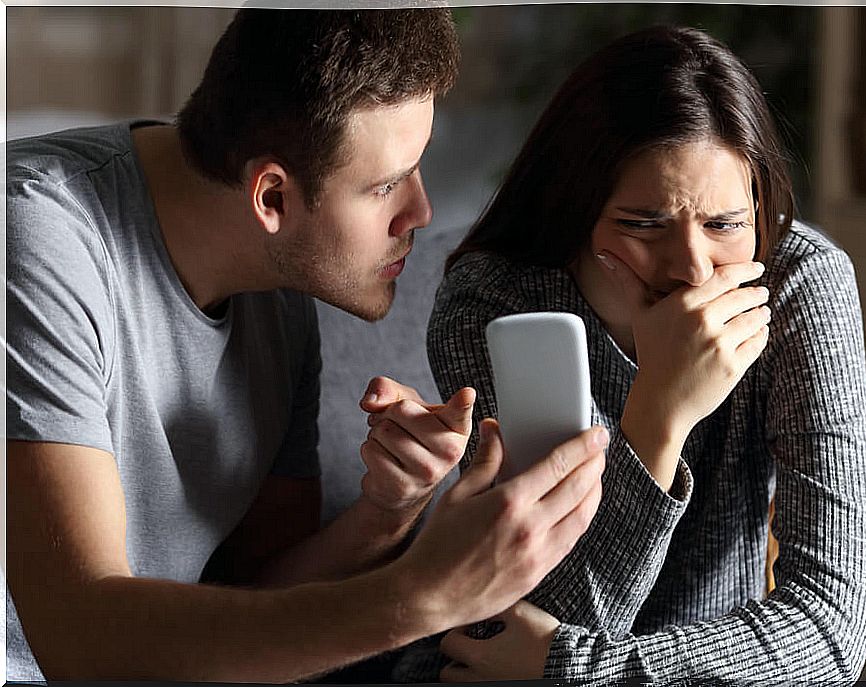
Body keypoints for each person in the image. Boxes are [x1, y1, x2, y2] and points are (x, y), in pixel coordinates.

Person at [4, 8, 608, 682]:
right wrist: (425, 594)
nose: (421, 213)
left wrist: (387, 513)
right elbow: (74, 637)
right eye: (385, 186)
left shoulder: (279, 273)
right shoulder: (34, 242)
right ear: (271, 196)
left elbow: (250, 593)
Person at [416, 25, 866, 684]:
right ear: (575, 208)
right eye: (644, 225)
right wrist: (660, 416)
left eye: (724, 225)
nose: (693, 270)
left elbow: (831, 628)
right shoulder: (494, 303)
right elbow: (525, 624)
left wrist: (576, 667)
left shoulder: (800, 283)